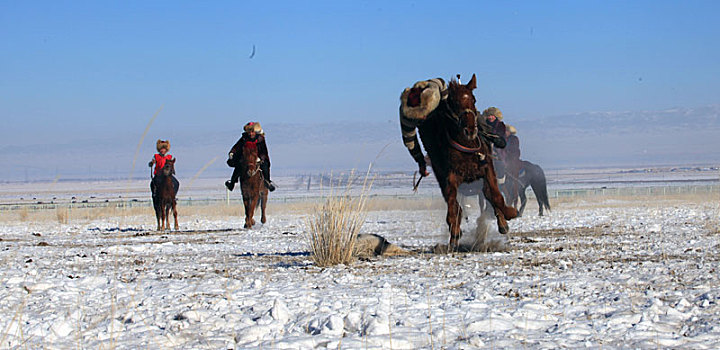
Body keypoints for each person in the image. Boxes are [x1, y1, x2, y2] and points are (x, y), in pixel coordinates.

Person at [225, 122, 275, 192]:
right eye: (249, 132)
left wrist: (261, 158)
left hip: (258, 158)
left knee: (265, 166)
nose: (250, 134)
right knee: (238, 166)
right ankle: (232, 183)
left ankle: (267, 182)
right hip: (246, 158)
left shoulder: (260, 138)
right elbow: (237, 146)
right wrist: (232, 152)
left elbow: (264, 150)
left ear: (255, 132)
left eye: (252, 132)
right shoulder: (244, 138)